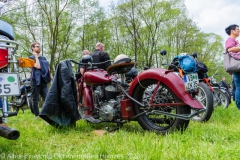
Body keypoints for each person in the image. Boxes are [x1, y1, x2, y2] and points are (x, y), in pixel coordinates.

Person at [29, 42, 51, 117]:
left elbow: (47, 68)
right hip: (35, 80)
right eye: (37, 46)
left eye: (39, 46)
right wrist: (35, 56)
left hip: (43, 80)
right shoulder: (30, 58)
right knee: (35, 99)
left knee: (47, 98)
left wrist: (49, 76)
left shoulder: (44, 58)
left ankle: (46, 114)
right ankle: (37, 115)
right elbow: (38, 66)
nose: (39, 48)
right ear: (32, 48)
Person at [225, 24, 240, 109]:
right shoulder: (230, 39)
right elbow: (230, 49)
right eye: (238, 29)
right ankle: (239, 107)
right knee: (239, 86)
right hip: (237, 67)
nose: (239, 31)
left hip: (237, 67)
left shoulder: (234, 40)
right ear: (232, 31)